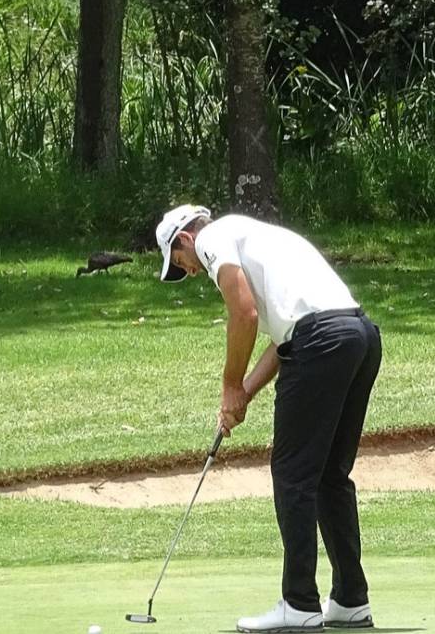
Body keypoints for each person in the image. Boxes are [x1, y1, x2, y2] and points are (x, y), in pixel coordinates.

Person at [153, 204, 383, 633]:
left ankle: (299, 604)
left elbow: (244, 314)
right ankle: (351, 600)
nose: (189, 273)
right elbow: (286, 341)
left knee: (293, 475)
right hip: (359, 336)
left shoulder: (211, 239)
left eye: (179, 265)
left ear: (184, 239)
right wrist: (242, 395)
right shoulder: (256, 236)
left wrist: (228, 383)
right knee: (329, 475)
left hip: (323, 342)